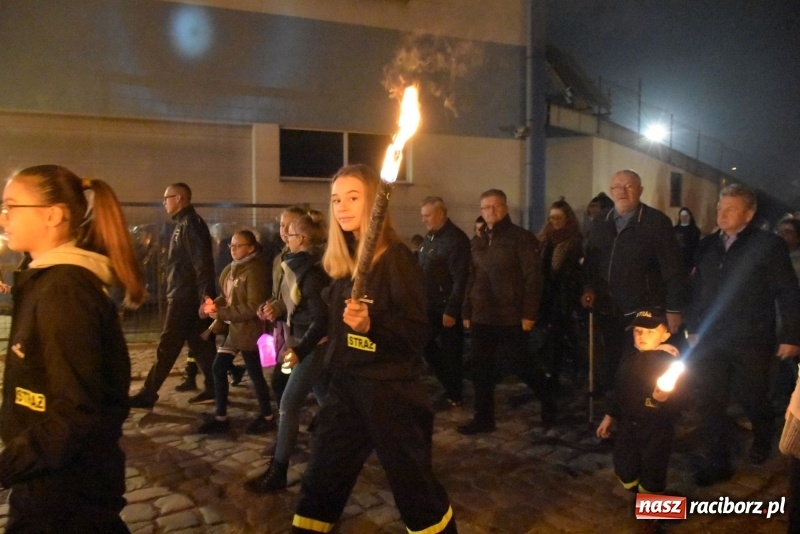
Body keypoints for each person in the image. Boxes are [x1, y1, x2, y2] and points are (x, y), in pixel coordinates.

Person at [291, 164, 457, 533]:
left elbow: (416, 334)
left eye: (353, 197)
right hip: (346, 390)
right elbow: (332, 327)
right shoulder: (342, 262)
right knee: (320, 481)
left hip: (391, 393)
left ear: (374, 203)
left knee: (416, 491)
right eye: (336, 199)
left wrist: (373, 326)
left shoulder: (397, 258)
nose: (343, 207)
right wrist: (305, 349)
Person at [0, 165, 146, 531]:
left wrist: (7, 464)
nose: (4, 217)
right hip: (50, 482)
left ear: (54, 215)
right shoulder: (45, 280)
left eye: (12, 205)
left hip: (64, 493)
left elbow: (76, 410)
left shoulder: (64, 291)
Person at [687, 184, 800, 485]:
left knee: (753, 397)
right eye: (719, 209)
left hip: (751, 338)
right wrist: (694, 327)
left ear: (749, 215)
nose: (722, 214)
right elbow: (698, 291)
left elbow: (787, 291)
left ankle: (763, 436)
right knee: (710, 399)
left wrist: (791, 335)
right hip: (711, 339)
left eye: (730, 209)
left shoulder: (768, 245)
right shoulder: (707, 245)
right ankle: (717, 459)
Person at [582, 170, 688, 396]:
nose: (622, 191)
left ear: (640, 190)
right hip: (607, 307)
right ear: (611, 191)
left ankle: (641, 410)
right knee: (610, 360)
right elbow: (591, 261)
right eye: (617, 187)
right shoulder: (601, 221)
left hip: (642, 309)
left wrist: (674, 308)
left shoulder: (656, 222)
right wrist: (588, 287)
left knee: (638, 366)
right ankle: (614, 409)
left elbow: (673, 268)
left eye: (629, 186)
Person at [245, 214, 330, 493]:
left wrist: (300, 349)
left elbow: (320, 320)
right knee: (327, 399)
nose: (286, 238)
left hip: (311, 344)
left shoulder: (312, 273)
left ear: (301, 239)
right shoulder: (294, 266)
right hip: (302, 341)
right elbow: (290, 302)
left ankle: (278, 471)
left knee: (288, 404)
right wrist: (272, 307)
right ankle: (356, 437)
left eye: (290, 234)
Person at [459, 188, 552, 434]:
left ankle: (549, 399)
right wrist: (467, 310)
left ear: (506, 208)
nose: (491, 211)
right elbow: (472, 277)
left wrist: (529, 313)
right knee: (481, 369)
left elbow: (533, 278)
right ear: (481, 211)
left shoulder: (520, 238)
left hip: (511, 315)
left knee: (521, 364)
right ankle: (484, 418)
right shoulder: (478, 241)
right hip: (482, 314)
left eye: (496, 206)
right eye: (486, 207)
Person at [130, 183, 218, 408]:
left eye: (166, 197)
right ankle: (214, 387)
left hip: (185, 298)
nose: (164, 202)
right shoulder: (184, 224)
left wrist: (206, 296)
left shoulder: (190, 224)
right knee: (201, 344)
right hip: (185, 295)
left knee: (168, 344)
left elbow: (202, 262)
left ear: (179, 198)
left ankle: (149, 392)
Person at [596, 309, 684, 533]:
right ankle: (647, 499)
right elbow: (618, 391)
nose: (641, 335)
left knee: (652, 473)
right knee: (625, 469)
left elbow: (682, 401)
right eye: (637, 330)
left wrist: (663, 398)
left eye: (649, 331)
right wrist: (609, 416)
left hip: (656, 430)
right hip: (628, 426)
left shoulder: (669, 363)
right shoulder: (630, 358)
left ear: (664, 336)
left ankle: (653, 517)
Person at [196, 230, 277, 435]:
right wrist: (212, 305)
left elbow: (252, 306)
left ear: (250, 248)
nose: (232, 249)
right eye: (231, 245)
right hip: (235, 330)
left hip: (250, 331)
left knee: (255, 373)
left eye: (238, 246)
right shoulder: (233, 268)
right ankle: (221, 417)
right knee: (219, 367)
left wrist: (221, 313)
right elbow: (228, 296)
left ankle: (267, 417)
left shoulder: (255, 271)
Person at [418, 196, 471, 408]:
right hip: (429, 305)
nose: (424, 220)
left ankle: (455, 393)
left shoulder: (456, 240)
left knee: (452, 352)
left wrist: (451, 309)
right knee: (425, 345)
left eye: (427, 215)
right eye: (422, 216)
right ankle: (450, 386)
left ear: (440, 213)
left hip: (446, 307)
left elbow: (461, 278)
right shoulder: (430, 238)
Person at [258, 205, 308, 407]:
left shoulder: (308, 260)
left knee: (281, 381)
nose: (284, 230)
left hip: (301, 332)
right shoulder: (280, 258)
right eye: (281, 225)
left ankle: (285, 427)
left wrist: (279, 307)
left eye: (290, 225)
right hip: (283, 330)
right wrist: (267, 305)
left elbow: (301, 297)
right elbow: (277, 293)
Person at [537, 198, 583, 386]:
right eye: (551, 218)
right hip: (546, 293)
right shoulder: (545, 239)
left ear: (567, 218)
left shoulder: (573, 241)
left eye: (558, 217)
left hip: (563, 295)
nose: (554, 221)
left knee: (557, 334)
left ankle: (555, 375)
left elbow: (573, 272)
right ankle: (571, 366)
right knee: (554, 335)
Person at [673, 206, 701, 271]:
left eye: (685, 216)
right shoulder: (675, 229)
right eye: (682, 216)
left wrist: (695, 263)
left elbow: (696, 247)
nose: (683, 218)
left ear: (689, 217)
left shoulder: (695, 230)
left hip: (689, 261)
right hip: (676, 260)